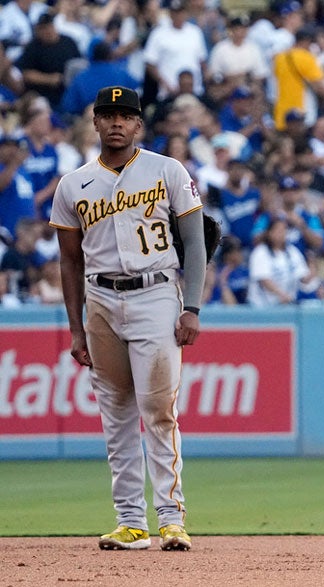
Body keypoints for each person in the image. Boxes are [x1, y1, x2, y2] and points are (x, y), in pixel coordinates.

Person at [49, 86, 206, 551]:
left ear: (138, 125)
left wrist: (191, 306)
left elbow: (195, 243)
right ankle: (131, 522)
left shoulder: (168, 170)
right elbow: (69, 262)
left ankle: (172, 518)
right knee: (115, 415)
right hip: (99, 301)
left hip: (156, 294)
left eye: (126, 115)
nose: (117, 122)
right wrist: (76, 327)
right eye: (108, 114)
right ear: (95, 123)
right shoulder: (72, 184)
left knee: (158, 412)